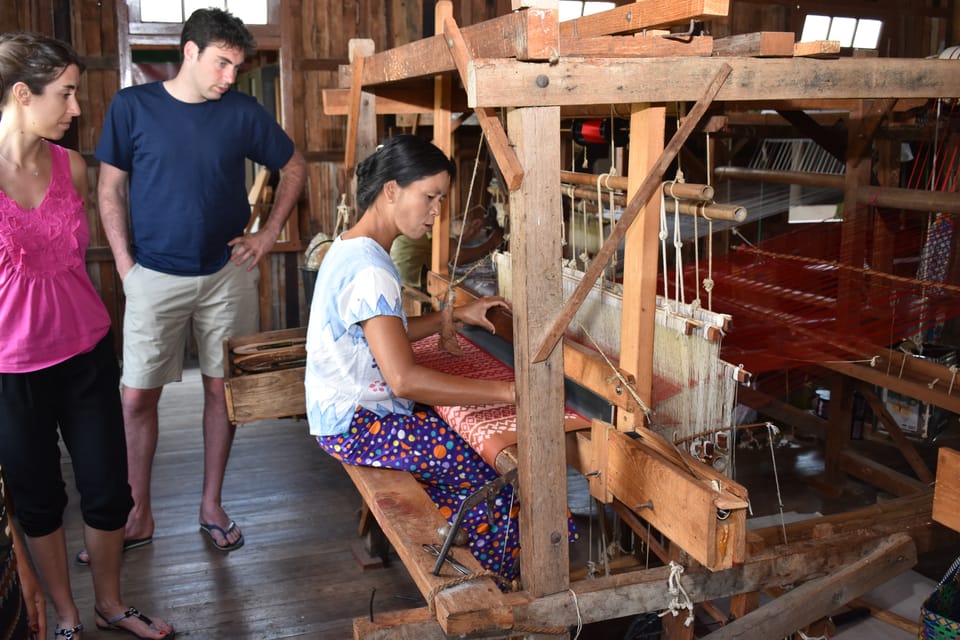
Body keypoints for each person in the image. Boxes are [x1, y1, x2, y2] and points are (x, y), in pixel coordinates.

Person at [305, 134, 574, 582]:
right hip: (357, 426)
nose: (436, 211)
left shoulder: (351, 248)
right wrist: (512, 392)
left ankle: (473, 554)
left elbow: (382, 336)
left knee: (466, 451)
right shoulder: (372, 269)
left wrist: (453, 316)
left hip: (343, 418)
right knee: (500, 479)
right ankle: (502, 586)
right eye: (429, 197)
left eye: (440, 199)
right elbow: (404, 379)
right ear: (391, 190)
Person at [91, 8, 307, 559]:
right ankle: (137, 512)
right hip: (152, 275)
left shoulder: (241, 111)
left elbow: (296, 167)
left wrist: (266, 234)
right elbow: (110, 190)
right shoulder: (132, 107)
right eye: (222, 63)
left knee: (221, 390)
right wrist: (124, 268)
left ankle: (211, 504)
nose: (230, 76)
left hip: (225, 274)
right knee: (137, 396)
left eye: (236, 66)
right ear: (190, 52)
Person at [0, 32, 174, 639]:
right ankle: (67, 615)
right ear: (23, 94)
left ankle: (109, 603)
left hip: (87, 356)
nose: (76, 109)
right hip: (12, 372)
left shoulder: (69, 165)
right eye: (66, 94)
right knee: (39, 496)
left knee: (107, 488)